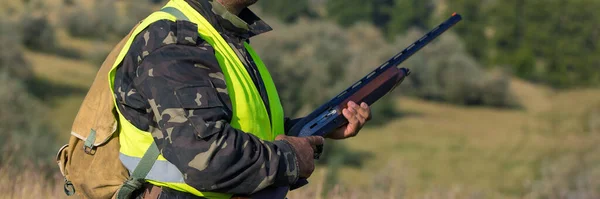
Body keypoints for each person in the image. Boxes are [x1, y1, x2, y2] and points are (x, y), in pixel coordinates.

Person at [111, 0, 372, 198]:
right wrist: (291, 156)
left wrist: (316, 127)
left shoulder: (223, 33)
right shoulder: (173, 41)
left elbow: (238, 125)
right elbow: (206, 158)